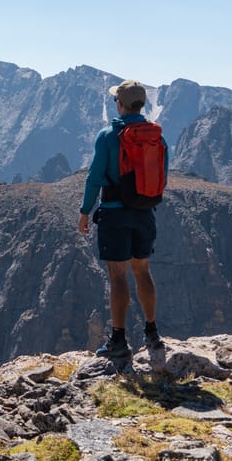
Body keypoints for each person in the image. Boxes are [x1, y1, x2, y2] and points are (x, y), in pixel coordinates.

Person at [77, 80, 168, 359]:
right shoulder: (157, 137)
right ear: (141, 105)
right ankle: (152, 333)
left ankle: (118, 340)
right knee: (142, 271)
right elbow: (162, 175)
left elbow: (94, 178)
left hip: (115, 214)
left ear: (119, 104)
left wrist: (84, 211)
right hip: (144, 213)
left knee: (118, 276)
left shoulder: (108, 136)